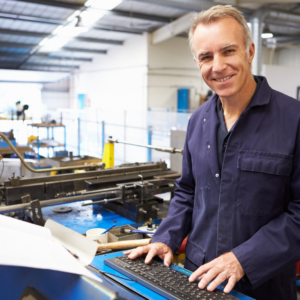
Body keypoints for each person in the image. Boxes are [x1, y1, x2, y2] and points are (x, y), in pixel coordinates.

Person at [124, 5, 300, 300]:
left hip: (263, 285)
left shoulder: (293, 120)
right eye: (206, 57)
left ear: (250, 51)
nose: (217, 66)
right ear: (197, 62)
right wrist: (165, 238)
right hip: (195, 278)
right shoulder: (198, 121)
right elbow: (187, 192)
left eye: (228, 51)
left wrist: (244, 259)